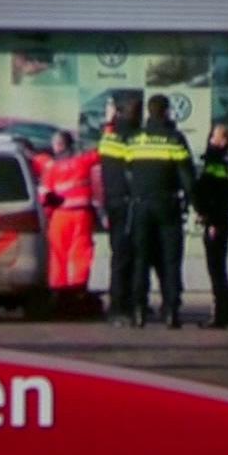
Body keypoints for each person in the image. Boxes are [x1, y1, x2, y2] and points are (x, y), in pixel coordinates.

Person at [126, 94, 195, 328]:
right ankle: (171, 311)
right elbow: (187, 176)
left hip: (140, 205)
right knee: (171, 260)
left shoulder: (135, 139)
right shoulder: (174, 139)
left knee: (141, 259)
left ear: (149, 111)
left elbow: (128, 170)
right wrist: (193, 202)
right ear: (166, 111)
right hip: (167, 205)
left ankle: (138, 311)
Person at [31, 129, 104, 317]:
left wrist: (47, 217)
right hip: (81, 215)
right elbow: (102, 151)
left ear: (58, 146)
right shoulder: (82, 161)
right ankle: (78, 291)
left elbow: (45, 196)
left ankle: (60, 293)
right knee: (80, 253)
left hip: (60, 217)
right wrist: (110, 126)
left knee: (58, 255)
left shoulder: (51, 168)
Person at [193, 122, 228, 328]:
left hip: (216, 221)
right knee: (220, 268)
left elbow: (210, 193)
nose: (210, 139)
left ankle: (220, 315)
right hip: (224, 219)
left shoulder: (215, 162)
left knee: (216, 270)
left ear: (223, 141)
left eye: (214, 136)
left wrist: (207, 216)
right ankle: (226, 312)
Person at [97, 97, 139, 326]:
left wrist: (109, 121)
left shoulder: (108, 140)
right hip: (129, 203)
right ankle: (125, 307)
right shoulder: (135, 139)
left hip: (113, 202)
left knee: (119, 257)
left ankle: (118, 306)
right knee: (130, 258)